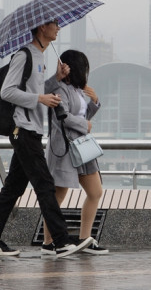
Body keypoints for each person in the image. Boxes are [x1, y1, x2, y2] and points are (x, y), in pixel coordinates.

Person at [0, 21, 94, 258]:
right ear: (42, 28)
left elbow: (39, 90)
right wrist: (40, 99)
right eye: (54, 24)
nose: (58, 28)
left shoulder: (41, 57)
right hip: (23, 130)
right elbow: (7, 92)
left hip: (31, 130)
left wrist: (55, 78)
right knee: (45, 186)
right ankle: (61, 241)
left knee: (13, 189)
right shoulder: (24, 55)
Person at [41, 49, 109, 255]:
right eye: (83, 67)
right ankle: (48, 243)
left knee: (95, 192)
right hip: (65, 148)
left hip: (82, 146)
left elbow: (82, 115)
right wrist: (85, 124)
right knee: (58, 197)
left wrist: (94, 103)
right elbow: (63, 117)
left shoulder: (78, 89)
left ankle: (85, 239)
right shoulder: (58, 88)